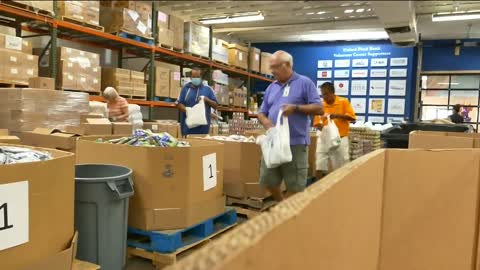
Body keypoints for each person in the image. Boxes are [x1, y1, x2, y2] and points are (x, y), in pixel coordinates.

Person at [257, 50, 324, 202]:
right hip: (274, 143)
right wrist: (266, 122)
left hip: (295, 143)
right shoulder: (271, 87)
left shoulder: (304, 83)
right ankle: (283, 207)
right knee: (268, 180)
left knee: (295, 186)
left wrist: (296, 108)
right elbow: (261, 113)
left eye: (275, 67)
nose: (272, 71)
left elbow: (319, 108)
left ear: (287, 65)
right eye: (271, 67)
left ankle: (286, 214)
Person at [313, 82, 356, 177]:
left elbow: (352, 118)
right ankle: (319, 188)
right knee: (320, 163)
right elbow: (317, 123)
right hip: (324, 139)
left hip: (340, 139)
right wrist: (325, 130)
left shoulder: (343, 102)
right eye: (322, 94)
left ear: (333, 93)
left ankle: (342, 187)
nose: (324, 96)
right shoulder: (321, 105)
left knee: (341, 165)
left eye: (326, 94)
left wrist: (337, 115)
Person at [176, 68, 218, 137]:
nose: (195, 79)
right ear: (191, 77)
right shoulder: (185, 88)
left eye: (197, 77)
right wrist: (188, 110)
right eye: (194, 77)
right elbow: (179, 104)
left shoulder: (208, 89)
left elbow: (215, 105)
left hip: (203, 130)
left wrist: (207, 100)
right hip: (187, 129)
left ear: (201, 77)